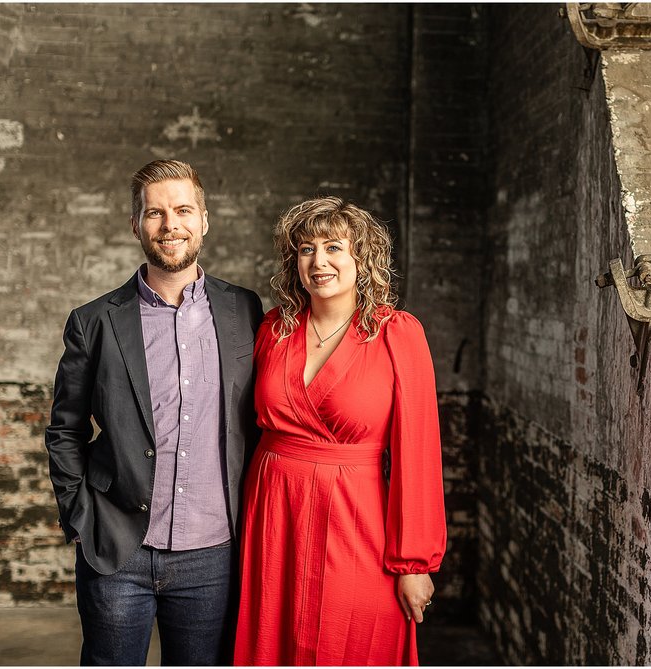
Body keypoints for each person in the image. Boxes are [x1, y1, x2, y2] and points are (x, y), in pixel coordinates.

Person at [44, 159, 264, 665]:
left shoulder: (244, 311)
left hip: (214, 552)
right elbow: (65, 428)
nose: (171, 226)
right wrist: (80, 516)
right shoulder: (94, 321)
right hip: (117, 548)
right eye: (155, 213)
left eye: (183, 210)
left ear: (204, 219)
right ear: (135, 224)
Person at [233, 197, 447, 665]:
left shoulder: (396, 334)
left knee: (351, 642)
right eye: (306, 249)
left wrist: (415, 564)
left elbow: (419, 452)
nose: (319, 261)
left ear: (361, 258)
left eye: (334, 247)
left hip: (357, 519)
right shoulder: (273, 329)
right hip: (272, 514)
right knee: (273, 642)